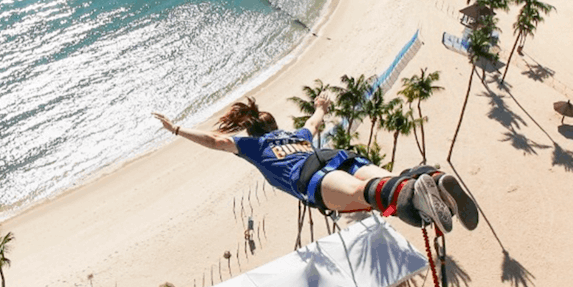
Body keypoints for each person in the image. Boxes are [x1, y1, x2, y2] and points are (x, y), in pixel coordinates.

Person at [152, 94, 478, 234]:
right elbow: (315, 121)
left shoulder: (254, 145)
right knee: (388, 179)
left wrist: (177, 129)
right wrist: (321, 104)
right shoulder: (296, 135)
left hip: (310, 176)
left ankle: (415, 195)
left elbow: (216, 141)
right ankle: (431, 179)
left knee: (364, 193)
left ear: (252, 130)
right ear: (275, 125)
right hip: (334, 155)